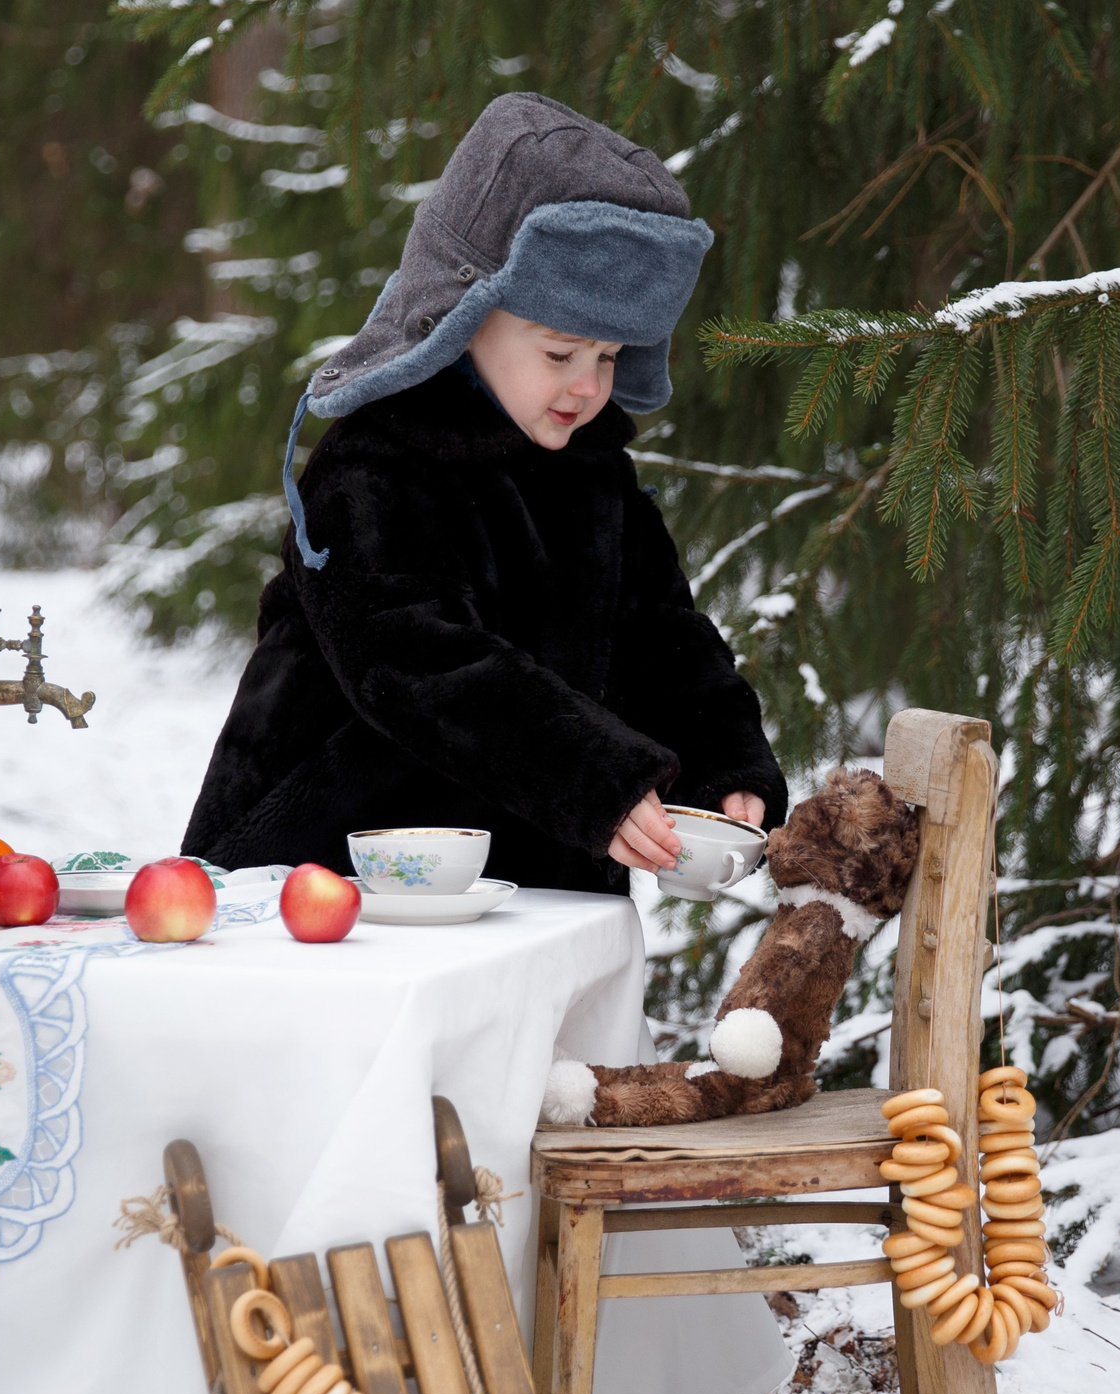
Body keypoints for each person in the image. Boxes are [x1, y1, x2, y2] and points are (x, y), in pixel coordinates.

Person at [182, 92, 786, 893]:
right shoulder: (374, 465)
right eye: (561, 351)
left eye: (608, 357)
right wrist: (592, 779)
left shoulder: (594, 475)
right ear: (465, 317)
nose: (585, 386)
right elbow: (419, 665)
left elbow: (662, 635)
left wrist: (724, 762)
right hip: (328, 875)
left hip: (531, 886)